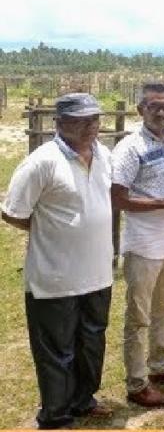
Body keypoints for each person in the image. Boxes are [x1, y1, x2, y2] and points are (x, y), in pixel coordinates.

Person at [1, 93, 113, 428]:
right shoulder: (42, 161)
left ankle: (83, 400)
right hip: (55, 277)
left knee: (91, 343)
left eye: (94, 119)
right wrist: (52, 230)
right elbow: (14, 213)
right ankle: (56, 413)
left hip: (97, 273)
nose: (90, 126)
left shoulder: (104, 154)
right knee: (56, 352)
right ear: (59, 123)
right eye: (80, 120)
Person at [111, 83, 164, 407]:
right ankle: (136, 383)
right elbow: (117, 198)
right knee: (138, 315)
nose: (161, 112)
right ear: (140, 110)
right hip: (144, 244)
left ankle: (159, 367)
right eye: (153, 106)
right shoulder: (129, 148)